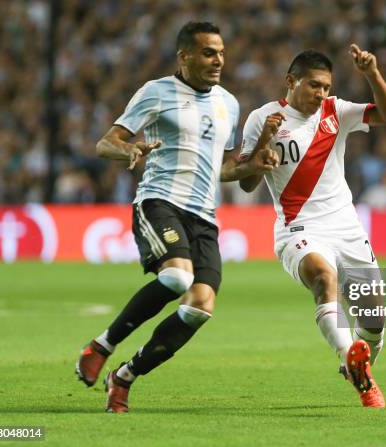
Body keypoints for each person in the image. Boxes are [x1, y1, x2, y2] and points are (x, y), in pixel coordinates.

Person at [75, 22, 278, 413]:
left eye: (220, 52)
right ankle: (102, 344)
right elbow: (106, 143)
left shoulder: (229, 103)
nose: (218, 60)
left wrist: (257, 163)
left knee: (200, 306)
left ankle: (124, 377)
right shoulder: (156, 92)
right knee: (177, 277)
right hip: (159, 201)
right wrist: (129, 149)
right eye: (207, 53)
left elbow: (221, 169)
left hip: (204, 216)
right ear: (184, 57)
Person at [239, 46, 386, 408]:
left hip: (345, 227)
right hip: (299, 229)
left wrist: (372, 74)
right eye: (314, 85)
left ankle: (360, 369)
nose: (321, 94)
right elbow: (247, 183)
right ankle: (348, 357)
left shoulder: (335, 111)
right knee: (324, 280)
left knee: (373, 320)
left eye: (326, 87)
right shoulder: (263, 118)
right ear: (290, 81)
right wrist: (265, 139)